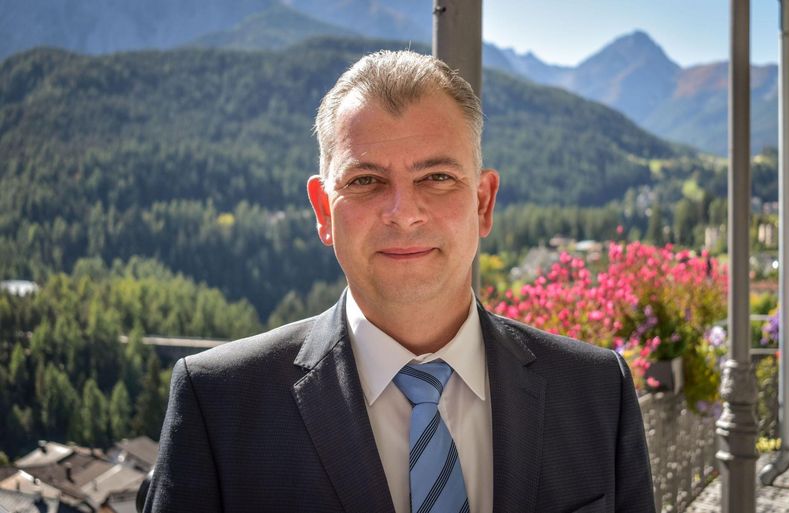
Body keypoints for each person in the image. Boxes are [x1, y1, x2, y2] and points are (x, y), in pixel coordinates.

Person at [144, 50, 655, 513]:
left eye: (437, 178)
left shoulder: (595, 390)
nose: (403, 212)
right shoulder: (220, 404)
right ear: (323, 210)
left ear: (483, 202)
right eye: (365, 180)